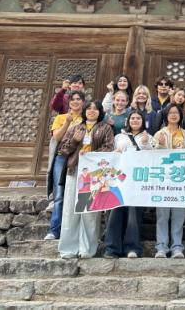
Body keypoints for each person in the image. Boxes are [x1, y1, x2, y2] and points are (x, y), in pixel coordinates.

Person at [58, 100, 114, 259]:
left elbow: (108, 148)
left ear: (100, 112)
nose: (92, 111)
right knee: (70, 209)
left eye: (95, 109)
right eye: (89, 108)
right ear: (84, 111)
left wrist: (91, 155)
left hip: (94, 174)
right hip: (75, 170)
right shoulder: (76, 127)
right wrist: (75, 141)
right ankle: (68, 249)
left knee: (90, 211)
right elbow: (62, 150)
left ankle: (87, 249)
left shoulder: (105, 128)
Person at [103, 110, 153, 258]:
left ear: (143, 121)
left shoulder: (148, 137)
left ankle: (133, 248)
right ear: (128, 121)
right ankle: (112, 248)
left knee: (134, 214)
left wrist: (146, 144)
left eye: (138, 118)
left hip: (137, 181)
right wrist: (115, 152)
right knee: (115, 212)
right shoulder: (119, 137)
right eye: (132, 118)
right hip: (119, 180)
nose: (135, 120)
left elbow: (153, 158)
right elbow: (109, 156)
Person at [45, 90, 85, 240]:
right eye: (72, 99)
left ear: (83, 102)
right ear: (69, 102)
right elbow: (57, 137)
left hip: (80, 157)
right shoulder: (61, 117)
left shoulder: (85, 117)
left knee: (79, 194)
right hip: (62, 157)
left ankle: (74, 231)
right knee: (59, 194)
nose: (75, 101)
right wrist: (67, 122)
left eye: (78, 99)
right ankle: (54, 230)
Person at [152, 103, 185, 258]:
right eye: (170, 113)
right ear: (166, 116)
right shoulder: (159, 133)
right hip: (163, 180)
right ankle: (161, 247)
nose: (174, 115)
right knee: (162, 215)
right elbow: (152, 157)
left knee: (179, 215)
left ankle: (177, 247)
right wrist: (160, 145)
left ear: (180, 116)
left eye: (176, 113)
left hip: (180, 179)